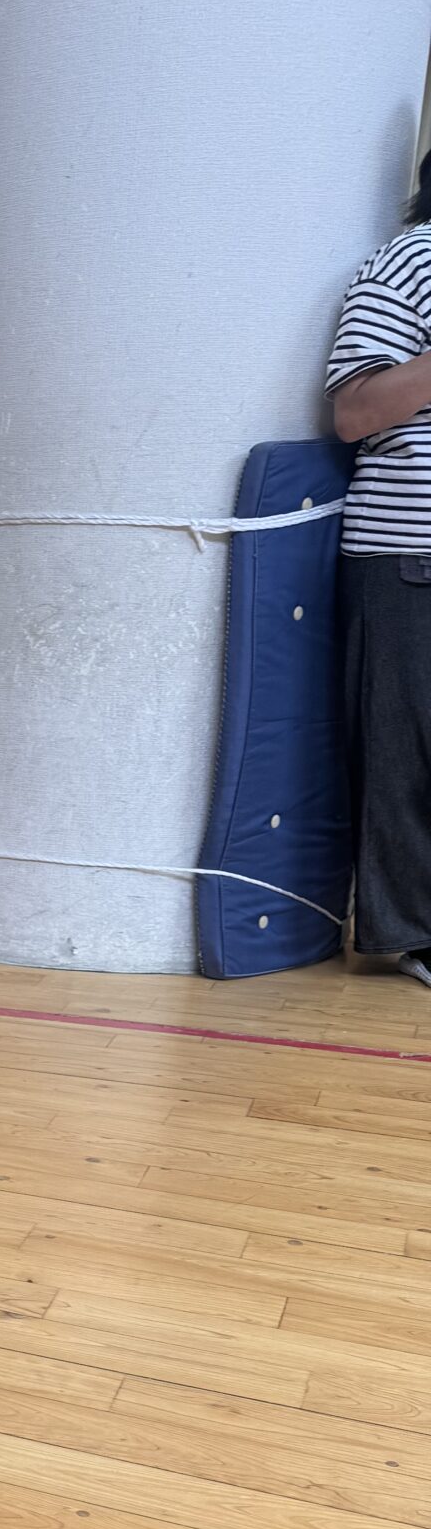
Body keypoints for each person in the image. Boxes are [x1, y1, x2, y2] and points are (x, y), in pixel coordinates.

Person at [328, 150, 431, 985]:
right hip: (409, 552)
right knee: (409, 760)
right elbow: (355, 410)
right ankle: (417, 933)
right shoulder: (411, 260)